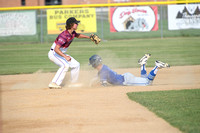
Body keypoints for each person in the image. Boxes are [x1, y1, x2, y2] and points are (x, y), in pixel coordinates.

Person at [48, 17, 98, 89]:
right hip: (54, 54)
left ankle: (73, 83)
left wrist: (89, 37)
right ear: (71, 25)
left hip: (60, 53)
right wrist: (65, 57)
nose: (77, 24)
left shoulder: (72, 33)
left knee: (76, 65)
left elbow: (78, 35)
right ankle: (54, 83)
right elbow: (56, 49)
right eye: (76, 23)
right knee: (65, 65)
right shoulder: (64, 35)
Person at [89, 54, 170, 86]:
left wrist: (93, 86)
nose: (92, 66)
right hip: (126, 78)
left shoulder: (103, 71)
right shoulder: (103, 68)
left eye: (92, 64)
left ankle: (157, 67)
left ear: (95, 63)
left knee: (148, 83)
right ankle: (143, 64)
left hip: (127, 81)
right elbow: (97, 78)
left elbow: (104, 85)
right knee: (144, 79)